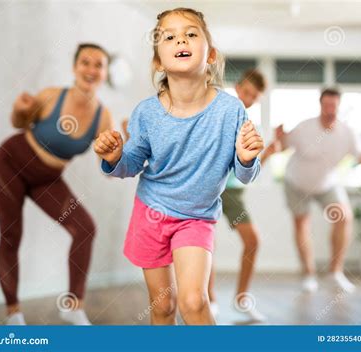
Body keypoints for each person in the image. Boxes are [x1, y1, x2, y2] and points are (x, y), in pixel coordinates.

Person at [94, 8, 264, 325]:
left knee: (194, 303)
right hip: (151, 213)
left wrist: (246, 157)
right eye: (169, 36)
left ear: (210, 54)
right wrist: (114, 157)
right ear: (159, 60)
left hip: (196, 218)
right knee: (163, 306)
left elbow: (245, 174)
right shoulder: (146, 112)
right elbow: (130, 164)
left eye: (190, 33)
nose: (180, 39)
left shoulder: (231, 110)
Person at [0, 43, 114, 325]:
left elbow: (108, 168)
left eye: (99, 64)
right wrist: (20, 110)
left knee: (85, 228)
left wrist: (118, 153)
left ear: (105, 73)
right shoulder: (51, 96)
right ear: (74, 67)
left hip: (47, 179)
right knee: (11, 234)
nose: (91, 69)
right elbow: (18, 122)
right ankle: (13, 313)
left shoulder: (102, 117)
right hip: (9, 164)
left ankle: (72, 306)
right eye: (85, 62)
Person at [267, 88, 361, 293]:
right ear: (320, 105)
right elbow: (283, 146)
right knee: (302, 223)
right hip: (297, 183)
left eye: (334, 105)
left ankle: (335, 273)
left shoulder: (347, 133)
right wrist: (280, 137)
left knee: (344, 218)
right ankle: (308, 275)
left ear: (339, 106)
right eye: (326, 105)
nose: (330, 109)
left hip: (326, 184)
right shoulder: (304, 128)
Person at [208, 69, 268, 322]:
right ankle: (208, 300)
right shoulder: (215, 113)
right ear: (236, 87)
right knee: (206, 245)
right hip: (210, 188)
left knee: (252, 241)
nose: (248, 99)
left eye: (253, 97)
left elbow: (249, 167)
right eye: (246, 92)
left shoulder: (250, 126)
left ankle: (242, 300)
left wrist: (271, 152)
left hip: (233, 192)